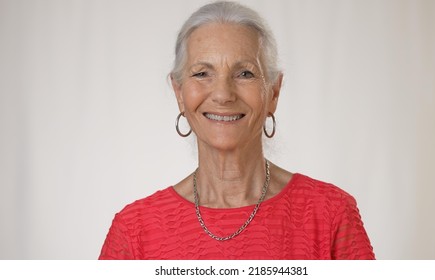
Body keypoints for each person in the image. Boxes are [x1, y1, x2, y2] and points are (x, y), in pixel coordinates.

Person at [99, 1, 375, 260]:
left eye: (245, 73)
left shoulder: (332, 213)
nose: (223, 94)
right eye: (202, 73)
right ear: (179, 93)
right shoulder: (134, 230)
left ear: (274, 92)